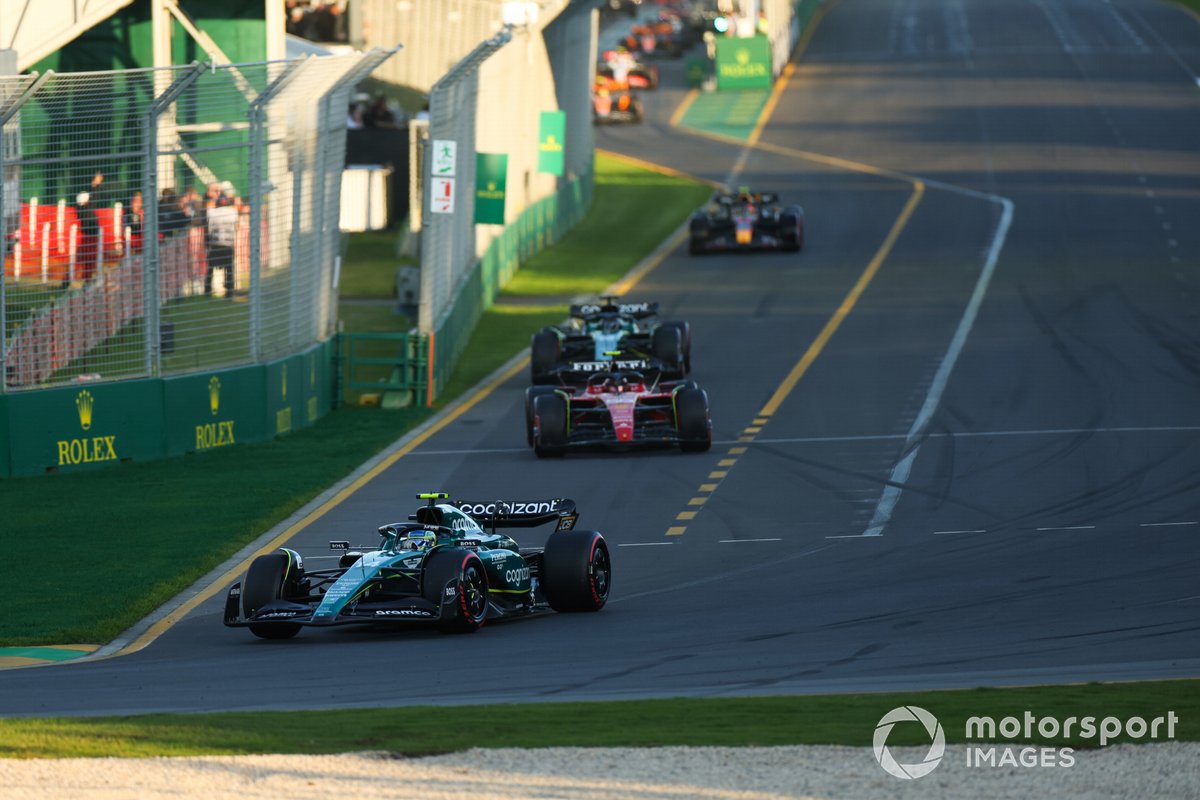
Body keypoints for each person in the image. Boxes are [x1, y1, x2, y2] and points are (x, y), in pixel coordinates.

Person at [205, 195, 238, 298]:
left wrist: (207, 242)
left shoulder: (211, 213)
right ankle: (230, 290)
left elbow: (208, 228)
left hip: (216, 244)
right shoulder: (233, 212)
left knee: (210, 268)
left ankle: (207, 290)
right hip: (228, 244)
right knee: (229, 269)